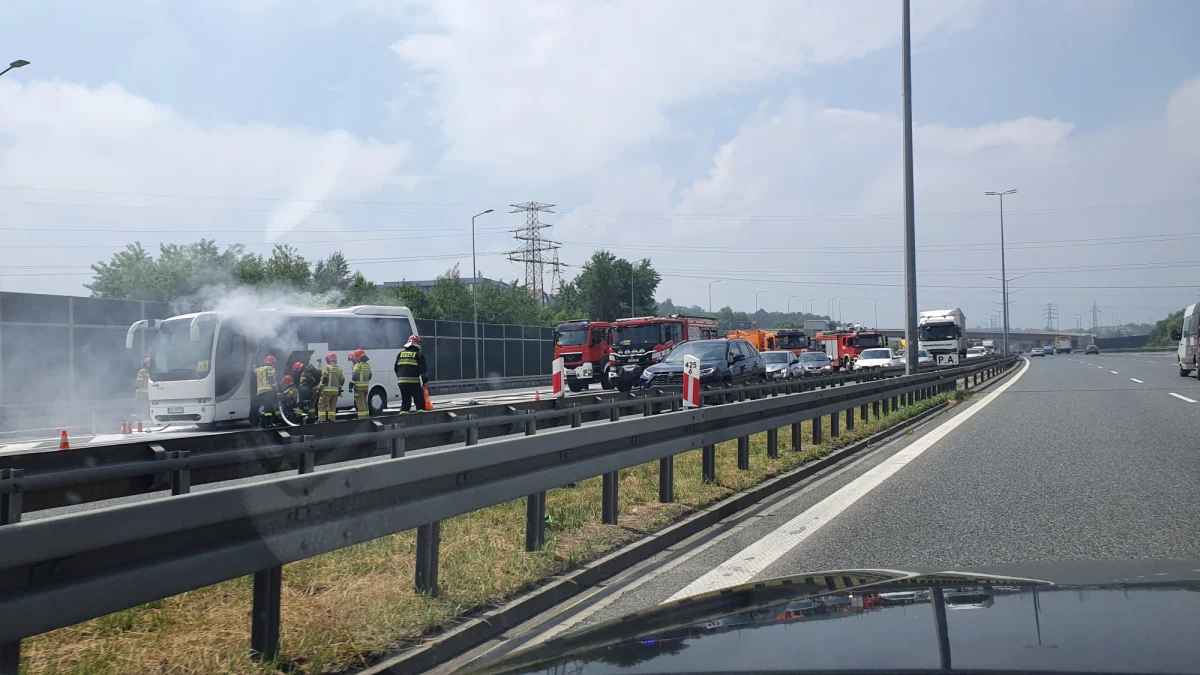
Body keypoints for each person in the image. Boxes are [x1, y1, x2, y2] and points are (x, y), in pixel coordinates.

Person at [394, 336, 428, 413]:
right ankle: (421, 416)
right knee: (419, 401)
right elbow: (423, 371)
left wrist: (400, 377)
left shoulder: (400, 354)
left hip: (401, 382)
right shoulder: (418, 355)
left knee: (405, 400)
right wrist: (425, 382)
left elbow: (396, 368)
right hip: (414, 382)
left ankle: (403, 416)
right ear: (417, 344)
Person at [317, 352, 344, 423]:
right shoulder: (338, 368)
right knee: (332, 406)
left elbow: (324, 378)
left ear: (328, 359)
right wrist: (339, 388)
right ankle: (332, 420)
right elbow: (342, 379)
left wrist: (320, 388)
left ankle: (321, 420)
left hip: (326, 391)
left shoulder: (327, 367)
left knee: (322, 405)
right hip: (335, 392)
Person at [254, 355, 279, 428]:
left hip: (259, 392)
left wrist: (253, 365)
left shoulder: (259, 369)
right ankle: (269, 424)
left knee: (263, 408)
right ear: (272, 363)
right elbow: (271, 379)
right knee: (269, 408)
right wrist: (276, 389)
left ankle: (263, 424)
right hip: (268, 391)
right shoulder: (270, 368)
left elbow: (254, 370)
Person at [351, 348, 372, 419]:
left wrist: (351, 384)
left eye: (355, 356)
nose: (354, 357)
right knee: (364, 403)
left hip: (359, 388)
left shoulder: (358, 365)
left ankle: (362, 420)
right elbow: (370, 376)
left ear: (358, 356)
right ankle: (366, 417)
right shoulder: (368, 365)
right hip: (366, 387)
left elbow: (355, 376)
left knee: (360, 404)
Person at [134, 356, 151, 422]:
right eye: (149, 363)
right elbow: (139, 383)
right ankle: (138, 420)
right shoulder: (142, 371)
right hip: (142, 394)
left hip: (147, 394)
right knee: (141, 408)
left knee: (146, 408)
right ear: (146, 364)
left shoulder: (149, 371)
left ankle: (144, 419)